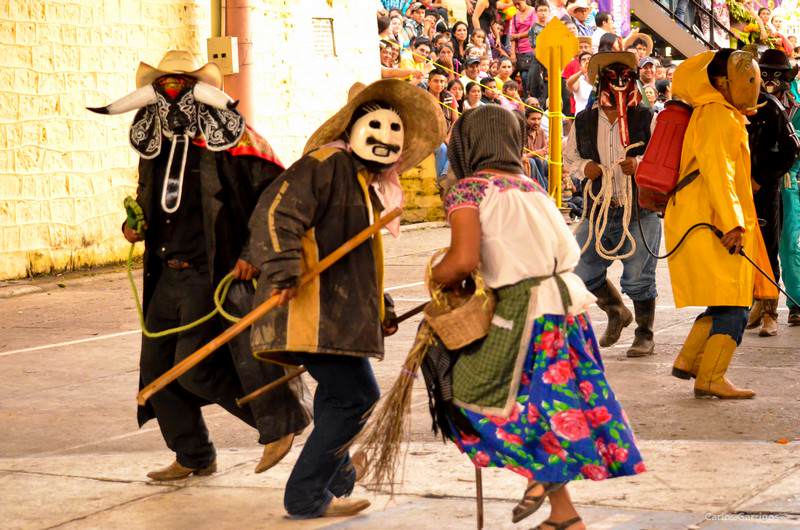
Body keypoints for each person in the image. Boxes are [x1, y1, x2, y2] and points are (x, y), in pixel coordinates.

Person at [89, 51, 311, 480]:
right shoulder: (153, 145)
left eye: (182, 87)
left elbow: (277, 201)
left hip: (210, 274)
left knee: (194, 367)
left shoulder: (238, 143)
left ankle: (278, 422)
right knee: (157, 373)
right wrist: (133, 226)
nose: (173, 98)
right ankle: (193, 454)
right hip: (165, 273)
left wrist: (253, 252)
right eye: (165, 88)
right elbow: (151, 202)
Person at [433, 105, 645, 530]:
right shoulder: (531, 186)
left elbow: (462, 261)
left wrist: (437, 277)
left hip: (523, 312)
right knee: (548, 406)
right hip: (568, 310)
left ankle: (544, 472)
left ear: (466, 144)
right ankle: (563, 515)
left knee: (467, 396)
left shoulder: (468, 191)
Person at [248, 79, 446, 518]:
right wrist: (283, 271)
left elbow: (359, 260)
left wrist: (381, 310)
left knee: (337, 396)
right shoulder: (324, 165)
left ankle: (335, 480)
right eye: (376, 126)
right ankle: (306, 494)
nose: (386, 137)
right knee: (355, 396)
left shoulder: (361, 182)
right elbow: (276, 213)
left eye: (395, 130)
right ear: (351, 127)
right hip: (308, 310)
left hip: (336, 317)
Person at [666, 49, 774, 399]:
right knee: (735, 304)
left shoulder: (720, 112)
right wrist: (733, 224)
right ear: (719, 82)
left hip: (706, 217)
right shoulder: (716, 115)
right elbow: (718, 173)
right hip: (711, 220)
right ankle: (711, 377)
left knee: (725, 297)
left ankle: (690, 360)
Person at [564, 51, 659, 358]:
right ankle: (616, 310)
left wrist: (639, 164)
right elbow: (570, 158)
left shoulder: (646, 117)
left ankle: (645, 334)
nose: (619, 84)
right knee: (578, 268)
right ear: (601, 84)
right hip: (599, 208)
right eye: (612, 79)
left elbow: (662, 158)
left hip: (639, 209)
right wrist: (585, 168)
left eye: (625, 79)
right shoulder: (584, 121)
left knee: (640, 276)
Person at [745, 49, 800, 336]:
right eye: (764, 73)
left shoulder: (785, 108)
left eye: (776, 75)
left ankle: (774, 308)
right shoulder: (741, 104)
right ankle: (752, 304)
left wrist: (763, 177)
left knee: (778, 245)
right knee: (744, 247)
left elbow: (791, 149)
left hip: (778, 186)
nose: (769, 80)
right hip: (739, 187)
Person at [509, 0, 536, 90]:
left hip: (531, 49)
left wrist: (517, 36)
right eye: (515, 4)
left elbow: (533, 30)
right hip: (519, 52)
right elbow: (512, 35)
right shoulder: (514, 16)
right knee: (522, 76)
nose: (517, 7)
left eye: (518, 4)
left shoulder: (533, 11)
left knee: (527, 76)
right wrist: (512, 53)